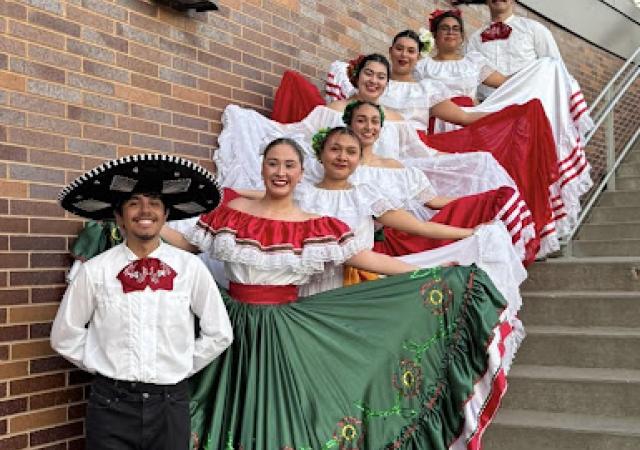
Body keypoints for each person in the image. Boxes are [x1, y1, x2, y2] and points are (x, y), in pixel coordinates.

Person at [162, 138, 516, 449]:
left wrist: (429, 274)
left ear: (301, 173)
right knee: (220, 403)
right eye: (273, 163)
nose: (280, 172)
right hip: (228, 321)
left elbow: (365, 257)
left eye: (289, 165)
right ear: (262, 168)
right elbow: (187, 244)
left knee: (275, 408)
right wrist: (149, 227)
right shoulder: (233, 214)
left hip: (281, 330)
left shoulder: (316, 225)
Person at [50, 154, 234, 450]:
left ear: (165, 215)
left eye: (154, 203)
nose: (145, 210)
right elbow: (64, 335)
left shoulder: (190, 269)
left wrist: (181, 363)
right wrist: (102, 358)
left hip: (169, 405)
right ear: (120, 216)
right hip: (110, 406)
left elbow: (219, 332)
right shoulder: (95, 271)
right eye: (134, 202)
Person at [418, 5, 594, 238]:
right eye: (444, 29)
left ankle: (474, 229)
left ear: (461, 36)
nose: (450, 33)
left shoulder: (474, 61)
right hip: (434, 123)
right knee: (435, 177)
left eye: (455, 29)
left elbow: (508, 84)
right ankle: (436, 231)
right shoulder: (422, 66)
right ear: (435, 34)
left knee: (469, 177)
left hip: (470, 123)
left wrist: (541, 75)